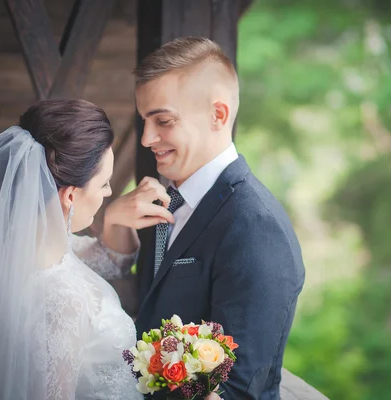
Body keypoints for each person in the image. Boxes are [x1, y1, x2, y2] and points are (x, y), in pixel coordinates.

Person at [0, 99, 221, 400]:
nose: (110, 192)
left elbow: (112, 263)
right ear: (71, 196)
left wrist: (113, 217)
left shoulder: (27, 250)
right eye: (104, 184)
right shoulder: (63, 300)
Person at [134, 37, 305, 399]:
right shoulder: (166, 201)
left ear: (218, 114)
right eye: (145, 122)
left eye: (163, 120)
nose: (148, 138)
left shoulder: (255, 227)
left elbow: (237, 387)